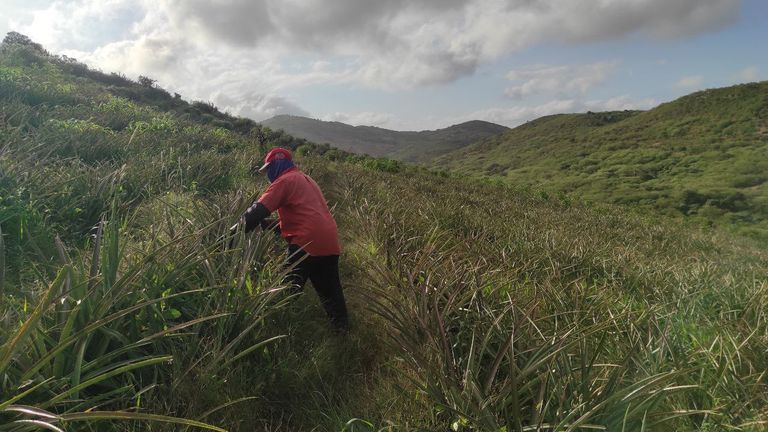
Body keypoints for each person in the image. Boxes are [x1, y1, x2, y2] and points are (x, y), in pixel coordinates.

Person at [233, 147, 349, 331]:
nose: (268, 175)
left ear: (276, 166)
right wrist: (265, 226)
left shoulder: (284, 181)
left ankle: (276, 332)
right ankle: (344, 334)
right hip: (329, 241)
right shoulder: (306, 179)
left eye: (268, 170)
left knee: (285, 293)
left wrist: (230, 234)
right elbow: (302, 218)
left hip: (306, 242)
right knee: (331, 294)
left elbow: (257, 210)